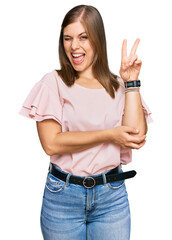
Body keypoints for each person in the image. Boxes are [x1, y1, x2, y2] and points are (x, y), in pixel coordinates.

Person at [19, 4, 152, 240]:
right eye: (67, 38)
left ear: (98, 40)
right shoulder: (54, 83)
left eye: (83, 37)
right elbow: (51, 144)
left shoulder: (117, 86)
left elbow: (136, 136)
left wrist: (131, 82)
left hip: (111, 199)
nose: (74, 46)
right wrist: (109, 134)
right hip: (63, 198)